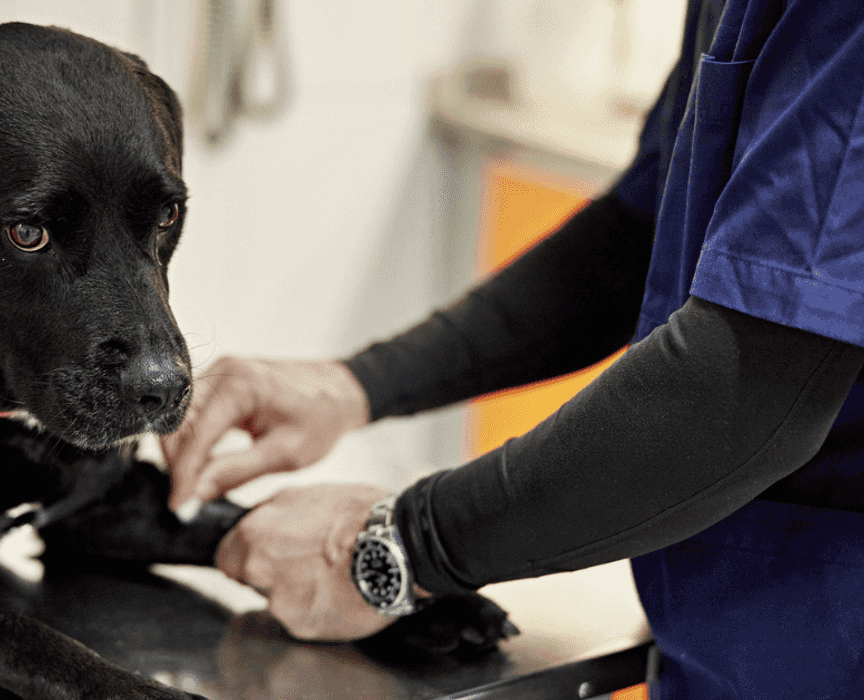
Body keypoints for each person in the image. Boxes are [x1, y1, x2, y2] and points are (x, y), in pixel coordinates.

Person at [162, 0, 864, 697]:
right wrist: (357, 384)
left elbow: (745, 386)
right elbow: (642, 232)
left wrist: (393, 545)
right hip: (737, 642)